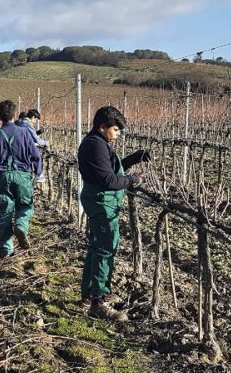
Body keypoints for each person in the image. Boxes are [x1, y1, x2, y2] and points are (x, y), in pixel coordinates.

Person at [77, 105, 149, 321]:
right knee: (105, 249)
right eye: (116, 130)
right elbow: (109, 180)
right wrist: (132, 180)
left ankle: (90, 294)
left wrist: (134, 159)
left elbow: (107, 170)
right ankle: (99, 302)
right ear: (102, 127)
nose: (117, 134)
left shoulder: (97, 143)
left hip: (100, 199)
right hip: (102, 201)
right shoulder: (96, 145)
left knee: (97, 247)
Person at [0, 100, 42, 258]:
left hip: (3, 177)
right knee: (25, 205)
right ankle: (21, 224)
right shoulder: (24, 133)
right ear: (14, 114)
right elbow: (36, 156)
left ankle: (5, 247)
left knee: (4, 212)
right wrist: (37, 172)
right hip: (22, 175)